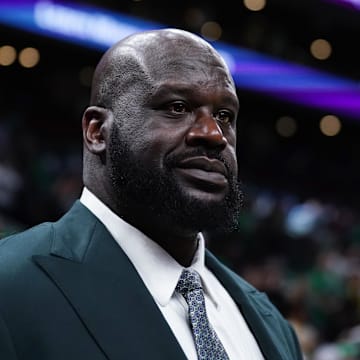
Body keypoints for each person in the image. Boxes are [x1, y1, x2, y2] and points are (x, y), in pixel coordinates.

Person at [0, 28, 303, 359]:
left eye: (224, 116)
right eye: (177, 107)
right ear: (97, 131)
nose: (214, 134)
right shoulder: (11, 284)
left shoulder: (272, 324)